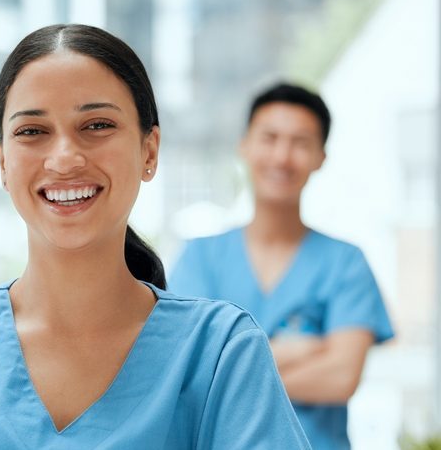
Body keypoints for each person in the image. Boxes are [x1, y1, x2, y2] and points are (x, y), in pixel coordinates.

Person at [0, 24, 309, 449]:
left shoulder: (220, 351)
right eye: (33, 130)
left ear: (149, 149)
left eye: (97, 125)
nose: (64, 157)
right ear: (1, 161)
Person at [168, 82, 394, 449]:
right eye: (269, 138)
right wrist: (302, 349)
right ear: (245, 145)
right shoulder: (200, 258)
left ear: (321, 156)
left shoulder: (346, 263)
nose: (282, 157)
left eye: (301, 142)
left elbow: (341, 377)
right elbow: (187, 375)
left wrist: (235, 368)